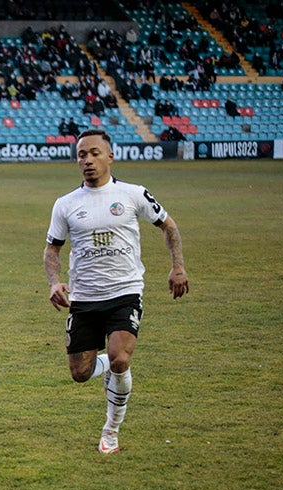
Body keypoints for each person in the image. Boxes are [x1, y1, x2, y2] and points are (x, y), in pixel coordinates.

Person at [43, 129, 189, 454]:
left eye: (94, 153)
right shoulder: (65, 204)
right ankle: (108, 362)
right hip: (83, 298)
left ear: (110, 156)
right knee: (80, 374)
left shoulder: (133, 194)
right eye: (82, 154)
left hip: (125, 292)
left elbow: (169, 226)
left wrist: (177, 266)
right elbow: (52, 250)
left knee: (121, 358)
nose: (88, 160)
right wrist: (54, 282)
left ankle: (111, 430)